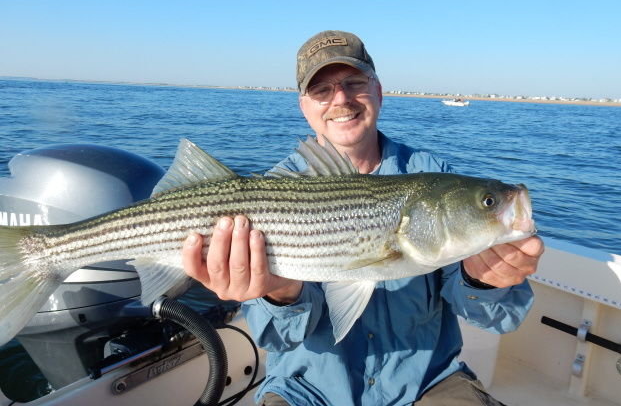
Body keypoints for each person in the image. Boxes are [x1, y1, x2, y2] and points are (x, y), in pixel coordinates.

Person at [182, 30, 545, 405]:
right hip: (307, 390)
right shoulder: (276, 189)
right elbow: (277, 337)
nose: (340, 99)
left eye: (354, 82)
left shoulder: (430, 173)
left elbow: (500, 317)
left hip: (427, 382)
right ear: (304, 106)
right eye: (321, 90)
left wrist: (484, 282)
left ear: (378, 92)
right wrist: (281, 292)